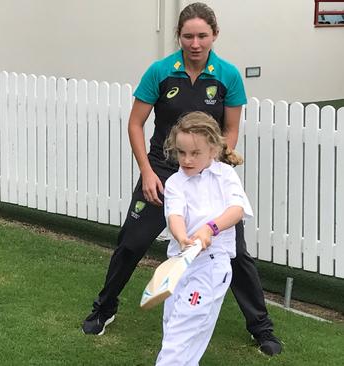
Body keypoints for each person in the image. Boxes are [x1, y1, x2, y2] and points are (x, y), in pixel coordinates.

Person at [81, 2, 283, 356]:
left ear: (214, 35)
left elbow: (231, 129)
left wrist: (215, 166)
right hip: (161, 169)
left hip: (208, 170)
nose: (195, 43)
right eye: (188, 35)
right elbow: (135, 123)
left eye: (202, 35)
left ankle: (261, 328)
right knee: (131, 243)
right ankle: (104, 308)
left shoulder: (228, 76)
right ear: (179, 36)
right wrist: (147, 170)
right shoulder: (160, 71)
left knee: (234, 252)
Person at [156, 111, 252, 365]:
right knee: (176, 328)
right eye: (181, 152)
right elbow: (174, 216)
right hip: (179, 265)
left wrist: (210, 228)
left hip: (212, 265)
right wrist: (183, 238)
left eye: (194, 153)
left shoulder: (226, 175)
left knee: (180, 334)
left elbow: (236, 210)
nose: (186, 159)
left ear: (213, 149)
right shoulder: (175, 183)